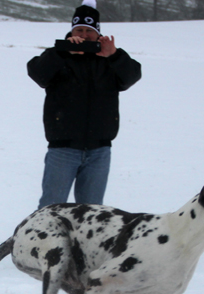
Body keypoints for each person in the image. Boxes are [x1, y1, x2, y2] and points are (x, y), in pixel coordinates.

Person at [27, 0, 141, 209]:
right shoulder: (59, 56)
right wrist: (63, 52)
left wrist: (115, 55)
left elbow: (131, 77)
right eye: (79, 29)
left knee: (92, 212)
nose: (84, 35)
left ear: (98, 33)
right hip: (63, 148)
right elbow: (38, 73)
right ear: (72, 31)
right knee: (51, 209)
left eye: (89, 30)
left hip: (99, 150)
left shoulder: (109, 59)